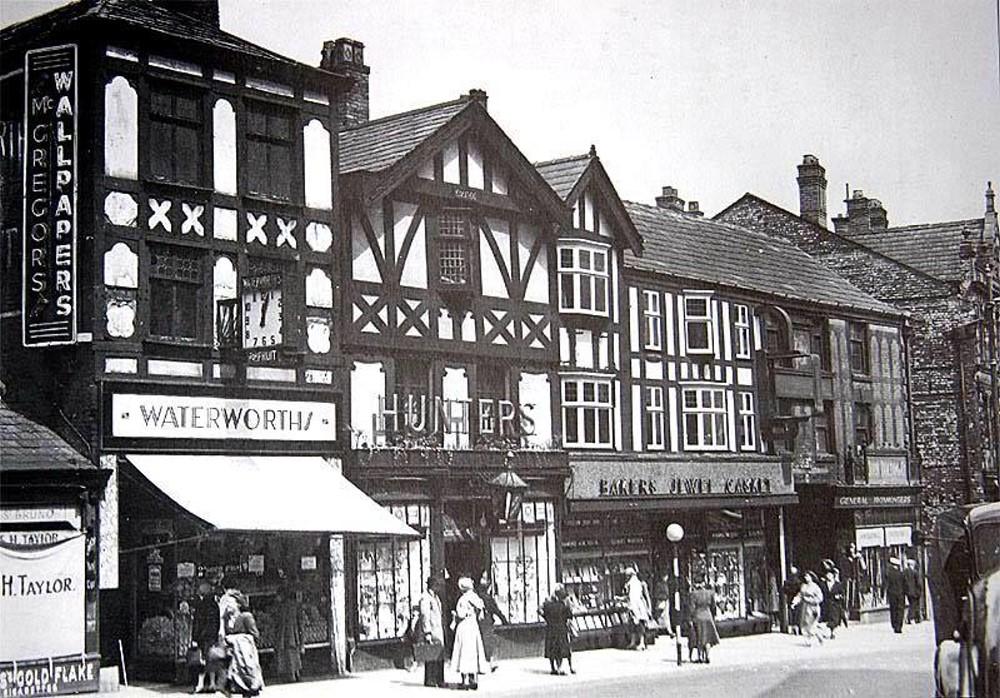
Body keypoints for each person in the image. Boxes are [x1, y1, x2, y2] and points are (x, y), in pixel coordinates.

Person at [221, 591, 264, 697]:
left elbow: (255, 635)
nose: (227, 605)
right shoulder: (226, 619)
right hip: (233, 657)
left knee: (247, 685)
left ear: (238, 604)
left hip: (244, 657)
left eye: (230, 602)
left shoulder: (246, 617)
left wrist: (238, 639)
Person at [451, 577, 488, 690]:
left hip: (464, 626)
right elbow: (481, 608)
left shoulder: (463, 599)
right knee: (474, 651)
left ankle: (465, 680)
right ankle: (474, 679)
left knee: (463, 651)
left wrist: (454, 615)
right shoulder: (475, 597)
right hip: (473, 626)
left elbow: (461, 614)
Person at [190, 580, 221, 693]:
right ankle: (212, 683)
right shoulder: (215, 605)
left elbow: (198, 622)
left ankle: (200, 683)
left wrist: (194, 637)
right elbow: (217, 622)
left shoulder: (201, 606)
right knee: (211, 660)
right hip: (212, 636)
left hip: (203, 637)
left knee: (201, 660)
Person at [476, 573, 508, 672]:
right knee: (488, 643)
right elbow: (496, 610)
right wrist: (504, 620)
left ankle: (481, 664)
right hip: (486, 622)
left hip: (477, 622)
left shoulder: (476, 596)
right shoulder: (487, 598)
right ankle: (489, 663)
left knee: (479, 643)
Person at [418, 576, 446, 688]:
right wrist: (427, 632)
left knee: (439, 654)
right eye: (437, 585)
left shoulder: (435, 597)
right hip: (433, 630)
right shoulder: (425, 598)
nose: (438, 587)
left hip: (438, 629)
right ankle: (430, 679)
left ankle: (439, 679)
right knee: (431, 654)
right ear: (432, 585)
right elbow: (425, 615)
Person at [541, 586, 574, 675]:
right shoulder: (562, 606)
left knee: (551, 649)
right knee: (562, 648)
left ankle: (553, 668)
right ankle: (560, 668)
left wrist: (547, 619)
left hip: (550, 629)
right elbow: (569, 615)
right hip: (561, 629)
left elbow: (541, 612)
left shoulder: (548, 605)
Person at [274, 586, 305, 682]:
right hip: (294, 636)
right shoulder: (295, 606)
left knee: (288, 656)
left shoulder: (281, 607)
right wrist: (301, 640)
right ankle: (296, 674)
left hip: (285, 636)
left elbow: (278, 623)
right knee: (294, 655)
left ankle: (291, 675)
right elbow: (300, 623)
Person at [687, 577, 720, 663]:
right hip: (708, 617)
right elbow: (713, 606)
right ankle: (708, 656)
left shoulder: (693, 594)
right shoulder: (710, 593)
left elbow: (692, 608)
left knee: (699, 638)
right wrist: (713, 616)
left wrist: (690, 619)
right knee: (707, 638)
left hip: (698, 617)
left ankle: (700, 657)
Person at [793, 572, 825, 646]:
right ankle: (808, 639)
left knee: (812, 624)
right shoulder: (803, 586)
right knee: (805, 623)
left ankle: (818, 636)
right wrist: (795, 602)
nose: (806, 578)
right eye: (805, 576)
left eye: (807, 576)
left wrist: (811, 600)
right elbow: (800, 595)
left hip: (813, 607)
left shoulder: (815, 587)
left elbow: (820, 598)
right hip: (804, 607)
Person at [623, 567, 651, 650]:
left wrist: (648, 608)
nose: (626, 577)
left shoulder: (637, 583)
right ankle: (633, 641)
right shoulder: (630, 584)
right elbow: (629, 596)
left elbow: (640, 596)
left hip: (638, 606)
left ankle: (641, 643)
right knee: (632, 625)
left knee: (640, 625)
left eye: (628, 575)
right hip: (633, 606)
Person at [821, 568, 845, 639]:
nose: (828, 576)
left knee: (834, 620)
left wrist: (839, 596)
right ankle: (829, 632)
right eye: (827, 575)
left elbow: (842, 594)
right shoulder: (823, 584)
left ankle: (832, 632)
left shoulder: (838, 584)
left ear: (833, 576)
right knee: (827, 619)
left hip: (835, 605)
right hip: (826, 604)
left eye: (830, 575)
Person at [885, 557, 906, 633]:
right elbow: (904, 584)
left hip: (892, 594)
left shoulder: (889, 574)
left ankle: (894, 624)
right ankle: (899, 626)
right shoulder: (901, 574)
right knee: (900, 610)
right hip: (900, 594)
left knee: (893, 609)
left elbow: (887, 584)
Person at [653, 573, 675, 638]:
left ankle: (668, 631)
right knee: (659, 616)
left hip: (665, 601)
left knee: (665, 617)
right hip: (661, 601)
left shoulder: (666, 584)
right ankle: (656, 630)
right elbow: (656, 594)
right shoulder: (660, 585)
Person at [782, 566, 802, 634]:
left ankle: (794, 628)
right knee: (796, 614)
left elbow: (784, 590)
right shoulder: (798, 582)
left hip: (791, 599)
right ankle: (797, 628)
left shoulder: (787, 582)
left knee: (793, 614)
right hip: (796, 599)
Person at [904, 558, 922, 624]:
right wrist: (919, 591)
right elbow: (918, 583)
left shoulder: (905, 572)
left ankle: (911, 618)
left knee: (911, 604)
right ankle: (911, 618)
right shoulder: (915, 572)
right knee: (913, 605)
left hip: (908, 592)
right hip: (914, 591)